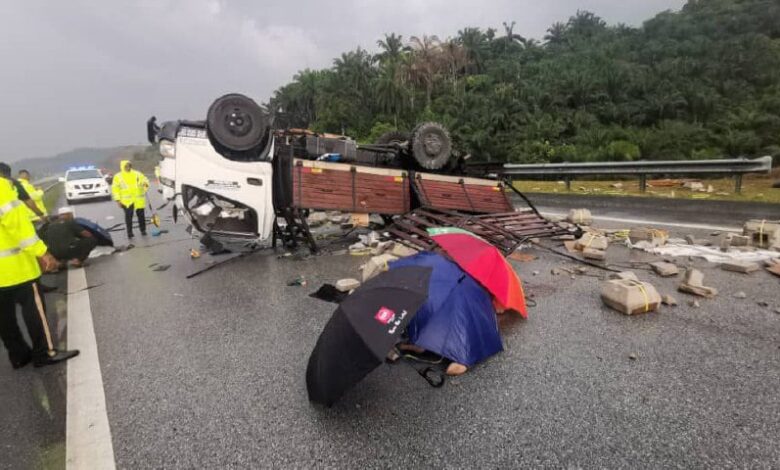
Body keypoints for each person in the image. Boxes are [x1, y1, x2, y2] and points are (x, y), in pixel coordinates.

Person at [0, 177, 79, 368]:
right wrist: (43, 252)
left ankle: (18, 356)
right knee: (34, 311)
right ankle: (45, 352)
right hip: (16, 267)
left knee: (4, 316)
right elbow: (18, 226)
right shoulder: (1, 187)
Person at [111, 160, 149, 238]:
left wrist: (145, 185)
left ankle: (143, 230)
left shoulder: (137, 174)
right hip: (126, 201)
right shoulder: (118, 176)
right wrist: (118, 200)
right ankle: (130, 233)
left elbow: (145, 180)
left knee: (141, 216)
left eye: (129, 166)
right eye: (126, 166)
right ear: (122, 167)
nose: (128, 167)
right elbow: (115, 189)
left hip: (138, 199)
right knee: (128, 217)